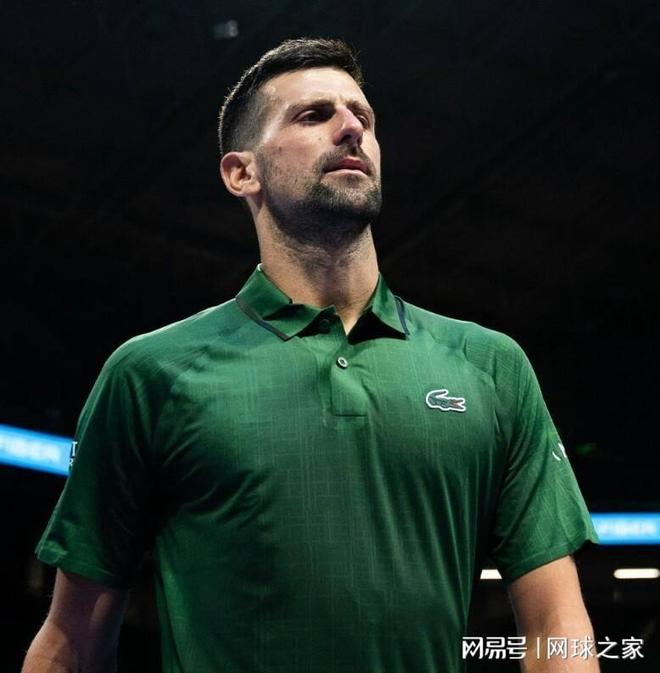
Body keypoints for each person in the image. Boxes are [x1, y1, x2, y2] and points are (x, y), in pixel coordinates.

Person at [23, 38, 600, 673]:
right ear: (242, 173)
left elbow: (557, 626)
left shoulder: (490, 365)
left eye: (363, 116)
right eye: (313, 115)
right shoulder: (151, 374)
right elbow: (71, 642)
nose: (352, 128)